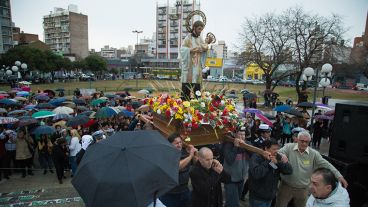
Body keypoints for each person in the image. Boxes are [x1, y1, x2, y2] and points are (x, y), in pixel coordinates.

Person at [275, 131, 348, 207]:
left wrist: (339, 175)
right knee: (280, 205)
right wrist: (281, 155)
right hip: (286, 186)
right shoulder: (289, 147)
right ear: (297, 140)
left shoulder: (314, 154)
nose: (304, 144)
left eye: (306, 142)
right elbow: (278, 153)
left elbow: (326, 164)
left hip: (303, 189)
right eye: (302, 141)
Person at [248, 138, 293, 207]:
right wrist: (268, 161)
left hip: (270, 197)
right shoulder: (256, 157)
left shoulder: (277, 156)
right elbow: (257, 174)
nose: (276, 151)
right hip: (258, 198)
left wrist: (278, 163)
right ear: (266, 148)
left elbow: (289, 171)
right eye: (274, 149)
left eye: (277, 149)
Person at [160, 133, 197, 207]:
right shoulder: (166, 154)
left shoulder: (185, 152)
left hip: (184, 191)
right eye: (176, 143)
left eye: (180, 142)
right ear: (170, 144)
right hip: (170, 194)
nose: (179, 145)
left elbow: (196, 163)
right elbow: (177, 167)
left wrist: (194, 153)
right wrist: (191, 155)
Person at [179, 19, 212, 100]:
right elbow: (182, 50)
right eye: (199, 29)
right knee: (186, 91)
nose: (200, 31)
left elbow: (203, 48)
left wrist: (207, 44)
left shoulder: (200, 39)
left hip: (197, 68)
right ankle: (184, 104)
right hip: (189, 67)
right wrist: (190, 50)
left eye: (201, 29)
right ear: (194, 28)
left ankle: (198, 106)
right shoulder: (188, 38)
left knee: (197, 90)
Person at [223, 127, 251, 207]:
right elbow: (229, 160)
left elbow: (253, 156)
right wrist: (235, 147)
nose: (242, 137)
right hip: (230, 180)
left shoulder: (248, 144)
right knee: (234, 204)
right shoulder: (228, 145)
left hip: (241, 179)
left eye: (244, 134)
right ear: (235, 135)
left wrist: (245, 146)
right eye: (240, 134)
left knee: (233, 201)